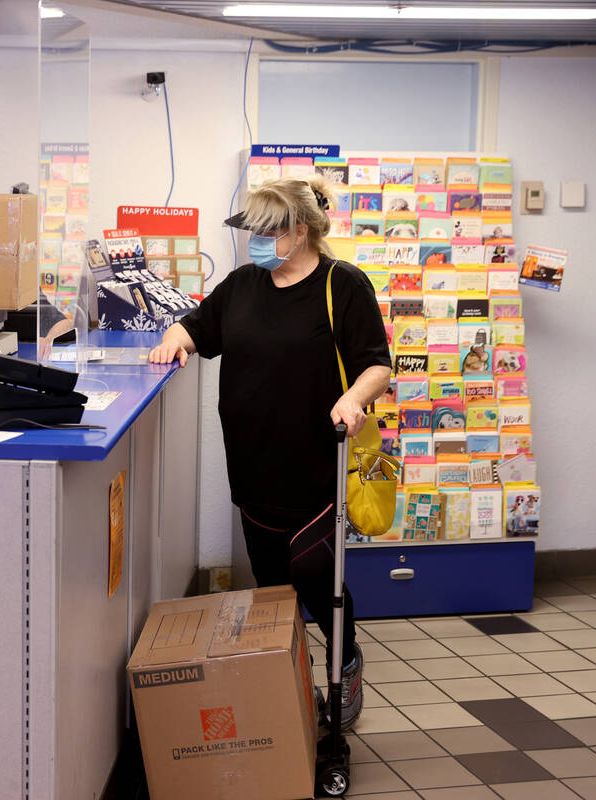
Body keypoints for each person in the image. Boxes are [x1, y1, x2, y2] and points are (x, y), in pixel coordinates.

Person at [149, 175, 392, 730]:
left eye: (265, 231)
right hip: (253, 466)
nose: (253, 241)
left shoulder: (343, 285)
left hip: (314, 467)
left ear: (299, 232)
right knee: (272, 589)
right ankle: (291, 682)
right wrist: (173, 341)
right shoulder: (241, 285)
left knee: (315, 577)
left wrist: (354, 399)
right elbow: (195, 328)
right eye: (249, 230)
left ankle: (346, 661)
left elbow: (376, 364)